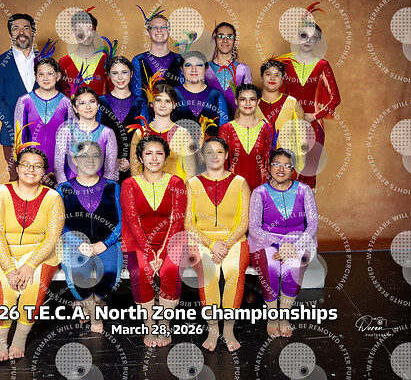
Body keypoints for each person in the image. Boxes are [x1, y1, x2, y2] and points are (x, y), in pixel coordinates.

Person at [0, 147, 65, 361]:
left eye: (38, 166)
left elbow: (52, 238)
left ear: (44, 171)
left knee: (32, 289)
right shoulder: (0, 193)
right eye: (26, 164)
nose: (31, 169)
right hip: (2, 253)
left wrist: (30, 265)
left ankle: (19, 338)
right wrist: (9, 269)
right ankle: (0, 341)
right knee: (5, 292)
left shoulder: (53, 197)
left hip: (39, 255)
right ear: (17, 168)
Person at [185, 137, 251, 352]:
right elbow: (188, 223)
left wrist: (226, 243)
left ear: (226, 155)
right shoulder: (192, 184)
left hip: (234, 239)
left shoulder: (240, 182)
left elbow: (244, 222)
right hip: (201, 239)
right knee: (209, 272)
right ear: (202, 156)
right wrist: (212, 244)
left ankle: (229, 328)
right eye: (209, 152)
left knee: (233, 270)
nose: (215, 156)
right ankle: (213, 328)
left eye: (220, 152)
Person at [121, 135, 187, 347]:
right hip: (138, 242)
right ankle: (150, 324)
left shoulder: (176, 183)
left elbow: (177, 220)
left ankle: (164, 323)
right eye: (148, 153)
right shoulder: (129, 184)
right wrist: (150, 254)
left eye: (159, 153)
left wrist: (163, 253)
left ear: (166, 157)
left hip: (172, 241)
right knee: (142, 271)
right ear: (140, 158)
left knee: (170, 270)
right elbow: (132, 221)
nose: (154, 158)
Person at [248, 148, 318, 338]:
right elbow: (254, 228)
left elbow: (312, 224)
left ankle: (284, 315)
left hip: (299, 241)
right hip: (265, 240)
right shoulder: (260, 193)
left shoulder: (304, 190)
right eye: (277, 164)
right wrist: (280, 243)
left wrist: (293, 246)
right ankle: (272, 316)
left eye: (287, 165)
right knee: (271, 266)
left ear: (293, 169)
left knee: (293, 266)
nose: (281, 169)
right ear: (269, 167)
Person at [56, 141, 122, 333]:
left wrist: (106, 243)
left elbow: (122, 221)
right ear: (75, 160)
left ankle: (93, 302)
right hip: (75, 245)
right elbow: (59, 224)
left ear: (101, 160)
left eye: (95, 155)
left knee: (110, 275)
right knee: (78, 276)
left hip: (107, 243)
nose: (90, 160)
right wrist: (78, 244)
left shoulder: (112, 186)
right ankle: (93, 310)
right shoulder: (63, 189)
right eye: (84, 156)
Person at [282, 20, 341, 188]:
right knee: (284, 172)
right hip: (287, 125)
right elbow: (275, 93)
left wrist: (314, 116)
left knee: (308, 175)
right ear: (297, 37)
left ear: (318, 40)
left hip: (313, 127)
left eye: (313, 37)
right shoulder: (285, 63)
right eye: (304, 35)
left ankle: (306, 206)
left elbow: (335, 98)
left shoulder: (322, 65)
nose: (308, 40)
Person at [0, 13, 38, 181]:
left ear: (33, 32)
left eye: (26, 28)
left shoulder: (46, 60)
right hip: (12, 136)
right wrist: (17, 129)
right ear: (10, 33)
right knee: (18, 181)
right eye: (16, 28)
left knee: (47, 183)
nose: (21, 32)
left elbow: (56, 97)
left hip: (44, 135)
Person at [14, 57, 73, 186]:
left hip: (61, 167)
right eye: (41, 74)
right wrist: (28, 166)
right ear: (35, 77)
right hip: (32, 167)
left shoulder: (66, 103)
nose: (45, 78)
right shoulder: (24, 101)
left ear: (58, 76)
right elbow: (20, 140)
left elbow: (72, 139)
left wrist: (64, 171)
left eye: (50, 73)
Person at [130, 83, 196, 181]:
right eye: (158, 100)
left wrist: (181, 189)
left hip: (176, 187)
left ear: (174, 105)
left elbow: (190, 171)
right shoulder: (140, 133)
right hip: (147, 188)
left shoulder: (183, 133)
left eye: (168, 101)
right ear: (151, 103)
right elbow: (135, 170)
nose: (163, 105)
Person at [99, 56, 149, 183]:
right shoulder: (100, 102)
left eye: (124, 72)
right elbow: (95, 135)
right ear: (109, 76)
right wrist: (110, 160)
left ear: (131, 74)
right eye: (115, 73)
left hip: (134, 167)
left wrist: (132, 160)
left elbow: (146, 137)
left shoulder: (140, 103)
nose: (120, 78)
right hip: (106, 167)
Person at [55, 87, 118, 183]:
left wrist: (103, 188)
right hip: (71, 186)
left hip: (99, 187)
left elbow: (110, 169)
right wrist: (65, 188)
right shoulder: (66, 132)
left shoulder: (107, 133)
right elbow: (59, 168)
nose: (88, 107)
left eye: (92, 102)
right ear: (75, 108)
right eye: (82, 103)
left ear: (97, 105)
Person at [257, 59, 306, 175]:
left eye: (277, 75)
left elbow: (302, 138)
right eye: (268, 74)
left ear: (282, 79)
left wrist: (298, 168)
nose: (272, 78)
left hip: (286, 167)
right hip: (257, 166)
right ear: (261, 77)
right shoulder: (250, 103)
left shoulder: (292, 103)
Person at [218, 84, 272, 191]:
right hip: (233, 188)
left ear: (258, 101)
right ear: (236, 101)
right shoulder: (226, 129)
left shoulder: (268, 128)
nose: (247, 103)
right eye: (243, 99)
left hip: (261, 189)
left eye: (252, 99)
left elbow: (271, 162)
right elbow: (221, 163)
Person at [174, 51, 229, 138]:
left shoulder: (216, 95)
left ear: (206, 68)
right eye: (188, 65)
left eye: (199, 65)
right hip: (178, 145)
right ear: (182, 69)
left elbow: (224, 130)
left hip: (211, 145)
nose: (194, 69)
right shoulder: (173, 93)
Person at [132, 10, 182, 100]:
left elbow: (183, 94)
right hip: (146, 109)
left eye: (163, 27)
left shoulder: (180, 60)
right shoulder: (138, 60)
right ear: (148, 33)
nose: (159, 30)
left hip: (175, 108)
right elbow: (136, 97)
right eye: (154, 27)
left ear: (170, 33)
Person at [206, 22, 252, 116]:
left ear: (234, 40)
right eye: (221, 36)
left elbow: (249, 100)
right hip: (211, 120)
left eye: (229, 36)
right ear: (215, 39)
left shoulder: (243, 69)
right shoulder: (205, 68)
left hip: (237, 121)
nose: (225, 40)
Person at [59, 9, 107, 97]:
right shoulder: (64, 62)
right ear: (73, 33)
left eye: (89, 29)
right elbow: (64, 95)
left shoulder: (106, 59)